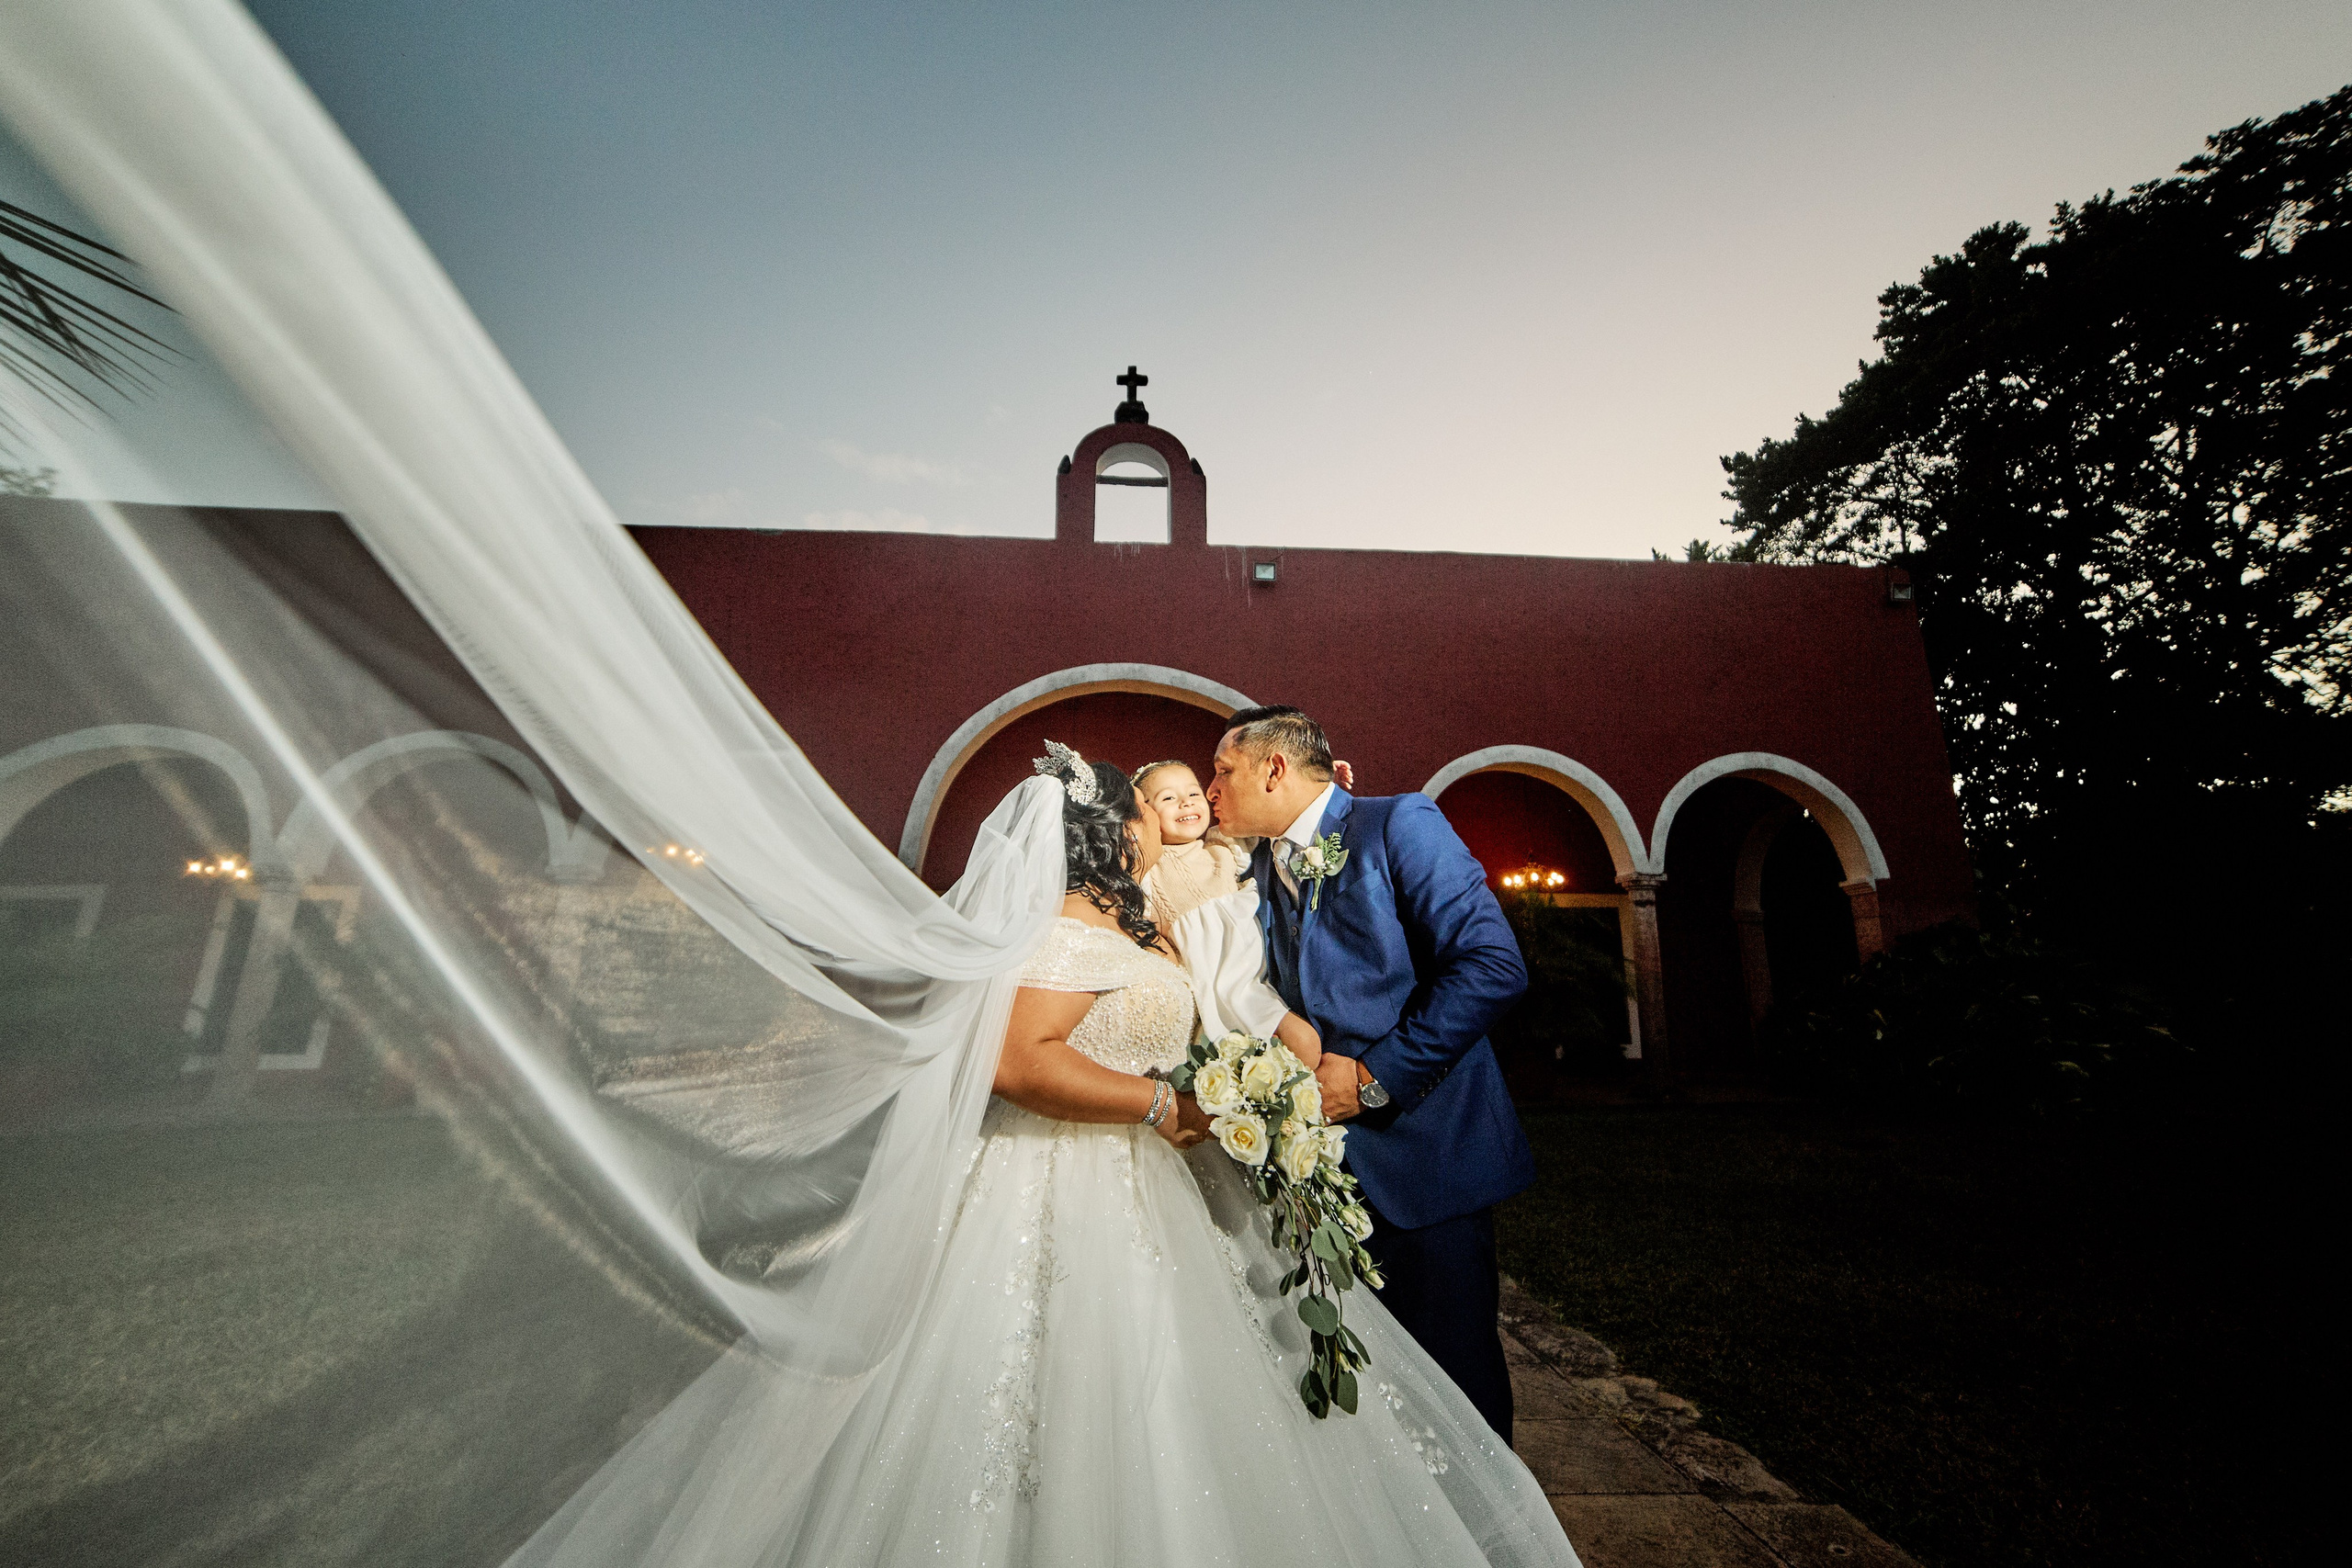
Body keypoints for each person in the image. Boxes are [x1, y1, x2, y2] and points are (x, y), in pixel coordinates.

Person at [700, 748, 1580, 1567]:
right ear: (1121, 829)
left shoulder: (1166, 910)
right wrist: (1167, 1102)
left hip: (1211, 1174)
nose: (1192, 804)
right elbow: (1018, 1060)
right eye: (1158, 807)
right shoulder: (1066, 931)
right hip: (1064, 1179)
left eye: (1220, 773)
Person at [1204, 705, 1536, 1442]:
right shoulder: (1250, 865)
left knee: (1458, 1394)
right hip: (1320, 1182)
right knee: (1367, 1406)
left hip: (1428, 1162)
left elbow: (1492, 965)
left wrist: (1373, 1076)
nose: (1211, 786)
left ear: (1274, 767)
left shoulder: (1398, 825)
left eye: (1223, 770)